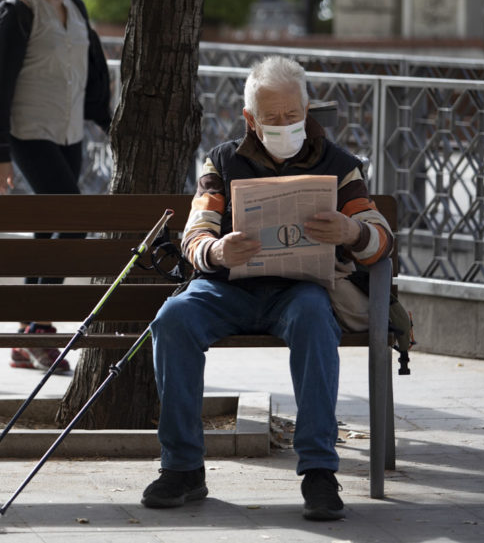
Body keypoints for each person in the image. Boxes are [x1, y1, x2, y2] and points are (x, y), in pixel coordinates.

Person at [139, 56, 393, 520]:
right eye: (272, 119)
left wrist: (350, 233)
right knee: (172, 319)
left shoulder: (341, 165)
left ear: (307, 107)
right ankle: (183, 468)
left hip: (299, 291)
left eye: (293, 116)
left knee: (316, 320)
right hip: (228, 288)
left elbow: (379, 238)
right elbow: (195, 233)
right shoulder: (221, 162)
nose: (284, 126)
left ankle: (318, 471)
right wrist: (216, 252)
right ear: (250, 120)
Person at [0, 0, 111, 374]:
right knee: (73, 220)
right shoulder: (17, 9)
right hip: (29, 133)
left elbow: (88, 70)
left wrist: (107, 122)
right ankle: (39, 328)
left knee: (47, 231)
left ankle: (25, 335)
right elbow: (2, 85)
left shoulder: (73, 4)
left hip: (69, 134)